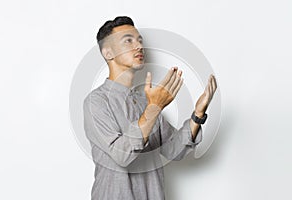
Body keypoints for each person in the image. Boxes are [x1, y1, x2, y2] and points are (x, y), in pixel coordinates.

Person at [83, 16, 217, 200]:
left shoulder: (147, 101)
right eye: (128, 40)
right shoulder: (95, 102)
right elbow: (122, 155)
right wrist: (154, 107)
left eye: (140, 40)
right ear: (108, 53)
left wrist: (198, 114)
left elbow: (173, 150)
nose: (138, 46)